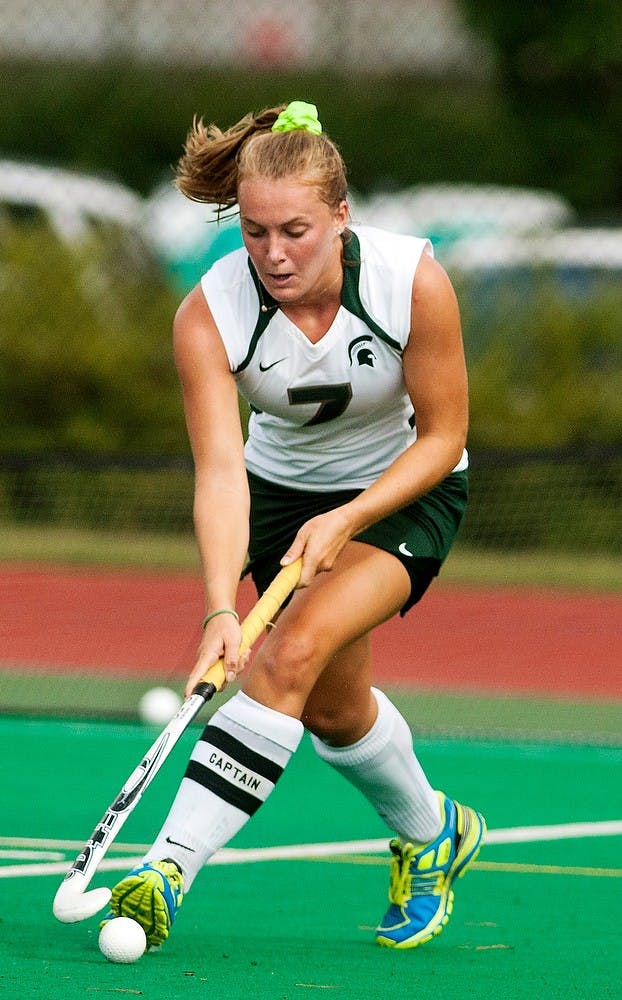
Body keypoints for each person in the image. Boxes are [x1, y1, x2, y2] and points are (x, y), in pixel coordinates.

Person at [103, 100, 485, 951]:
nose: (274, 254)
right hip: (276, 496)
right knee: (335, 709)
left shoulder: (410, 279)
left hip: (404, 491)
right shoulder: (208, 313)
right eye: (255, 232)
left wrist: (349, 518)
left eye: (297, 231)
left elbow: (446, 433)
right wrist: (216, 607)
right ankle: (436, 834)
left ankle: (166, 867)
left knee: (292, 653)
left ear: (342, 217)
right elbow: (219, 468)